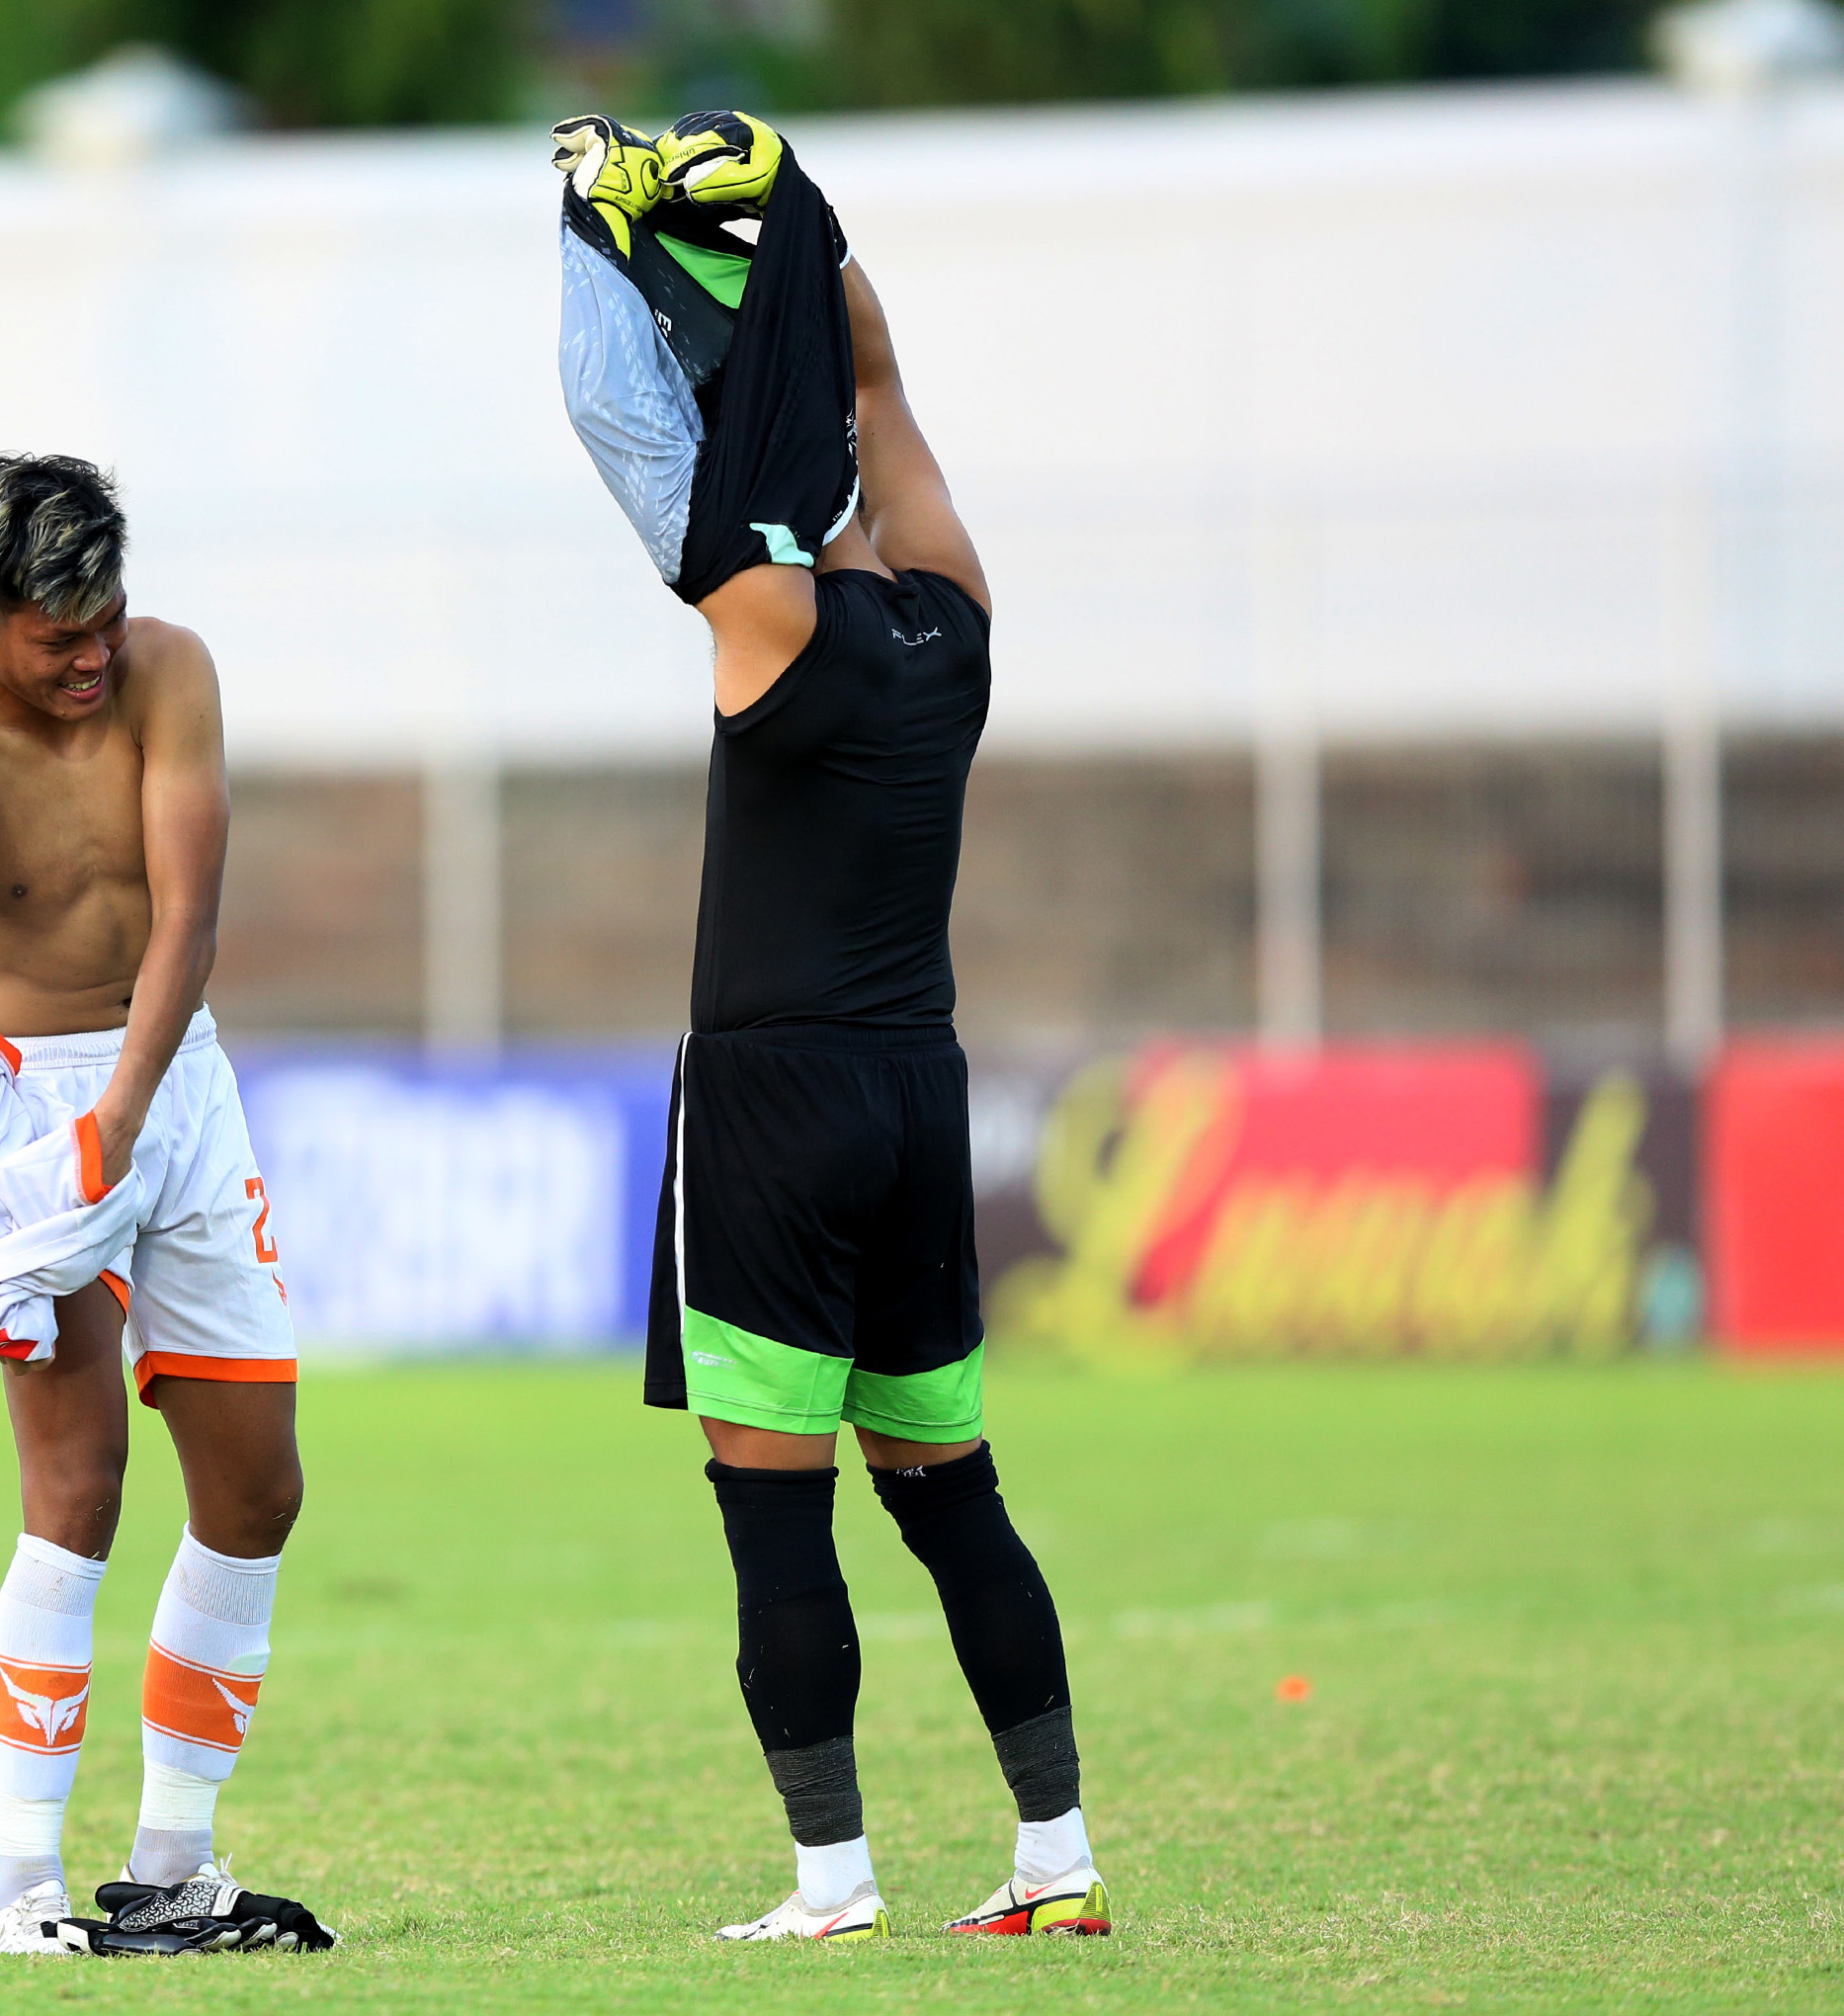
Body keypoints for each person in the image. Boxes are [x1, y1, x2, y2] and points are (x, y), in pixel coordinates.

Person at [553, 113, 1112, 1943]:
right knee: (953, 1497)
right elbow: (880, 385)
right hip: (913, 1094)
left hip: (778, 1104)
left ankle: (831, 1878)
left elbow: (644, 441)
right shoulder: (956, 628)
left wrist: (609, 235)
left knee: (773, 1517)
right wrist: (811, 233)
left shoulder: (769, 621)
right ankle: (1055, 1857)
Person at [0, 452, 330, 1958]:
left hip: (172, 1087)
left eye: (105, 619)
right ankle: (27, 1897)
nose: (91, 656)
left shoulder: (169, 674)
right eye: (55, 634)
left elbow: (188, 921)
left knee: (259, 1488)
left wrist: (126, 1122)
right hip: (27, 1105)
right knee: (75, 1500)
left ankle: (172, 1870)